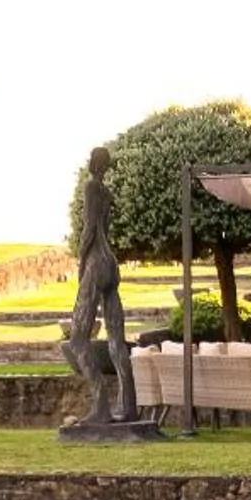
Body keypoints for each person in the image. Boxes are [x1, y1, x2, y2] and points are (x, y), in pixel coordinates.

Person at [65, 146, 138, 424]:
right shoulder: (107, 193)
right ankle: (128, 406)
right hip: (112, 262)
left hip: (96, 260)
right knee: (116, 337)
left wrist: (81, 261)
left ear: (92, 163)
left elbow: (90, 227)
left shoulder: (91, 188)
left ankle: (101, 406)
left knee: (77, 339)